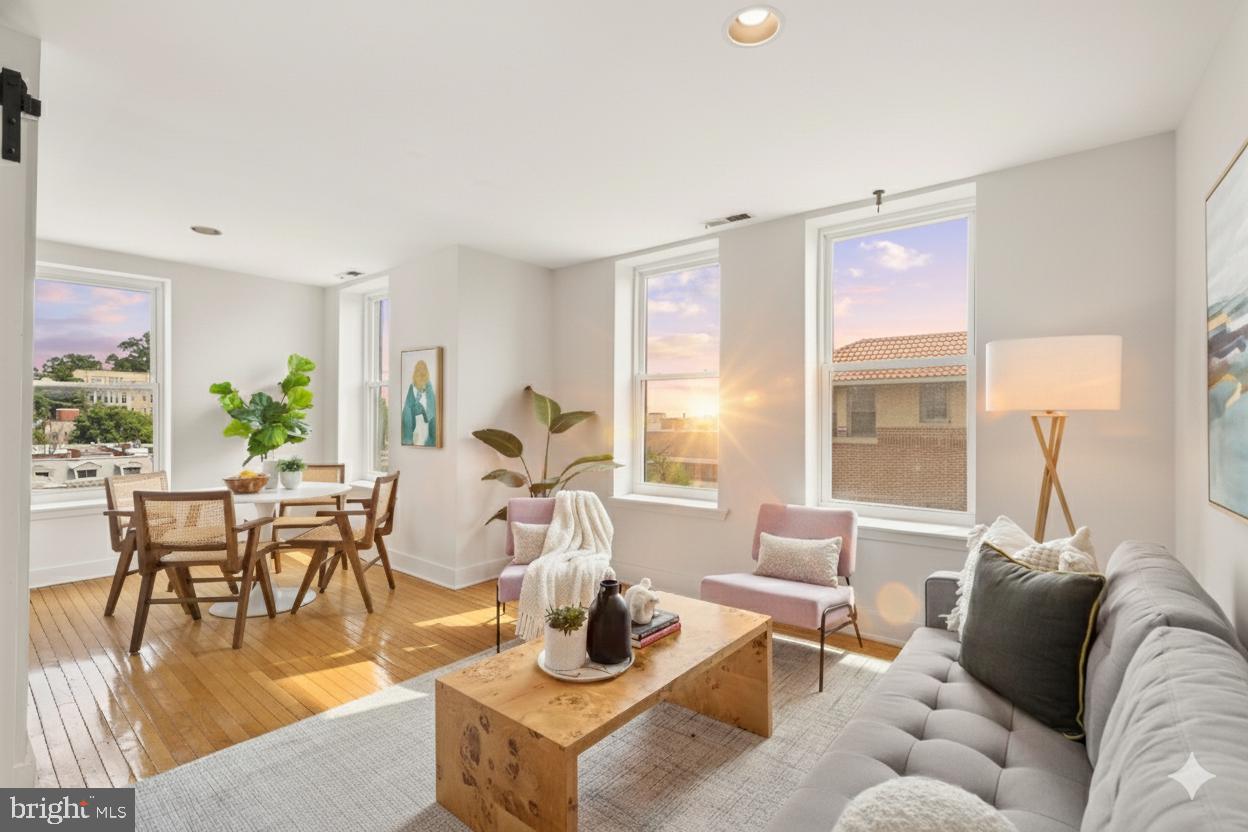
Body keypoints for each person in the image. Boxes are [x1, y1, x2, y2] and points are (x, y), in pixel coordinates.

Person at [401, 359, 437, 446]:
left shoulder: (429, 386)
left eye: (422, 369)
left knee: (434, 416)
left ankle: (431, 440)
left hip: (426, 410)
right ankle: (407, 438)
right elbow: (408, 404)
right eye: (418, 369)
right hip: (414, 408)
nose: (420, 372)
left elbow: (431, 405)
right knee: (406, 412)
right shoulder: (412, 385)